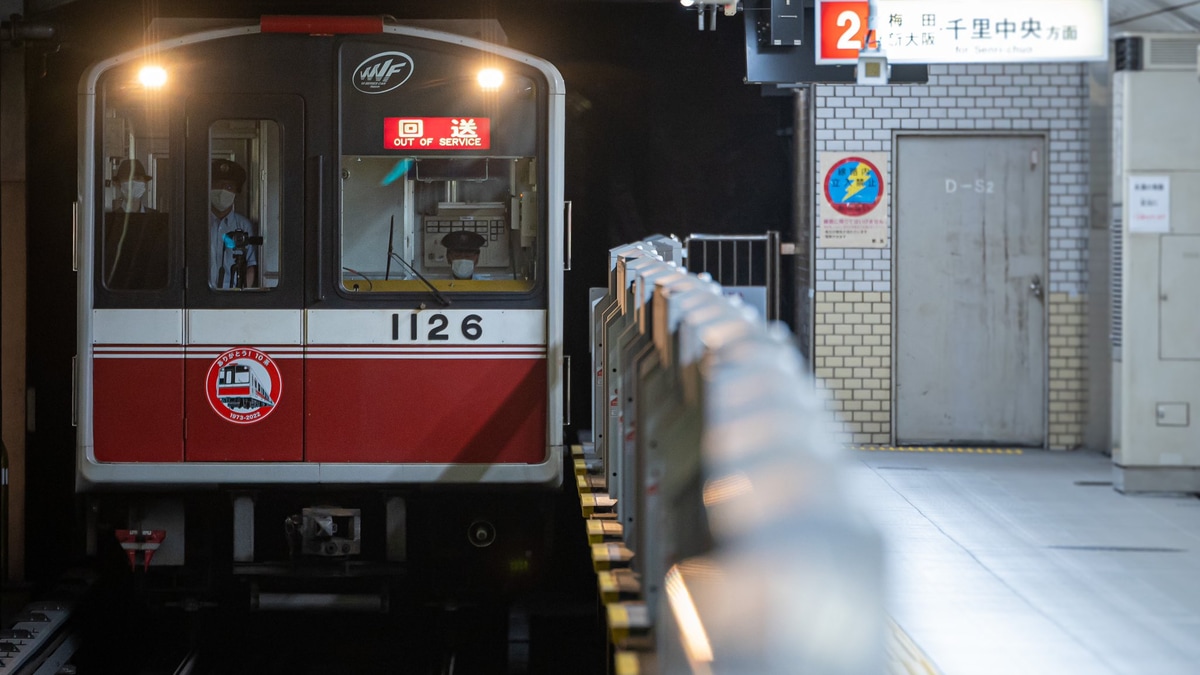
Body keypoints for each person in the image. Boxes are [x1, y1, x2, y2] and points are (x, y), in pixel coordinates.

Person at [209, 158, 258, 289]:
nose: (222, 191)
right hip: (201, 297)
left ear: (236, 192)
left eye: (229, 187)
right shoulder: (197, 223)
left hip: (233, 297)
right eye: (217, 185)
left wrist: (240, 298)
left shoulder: (244, 226)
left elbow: (250, 267)